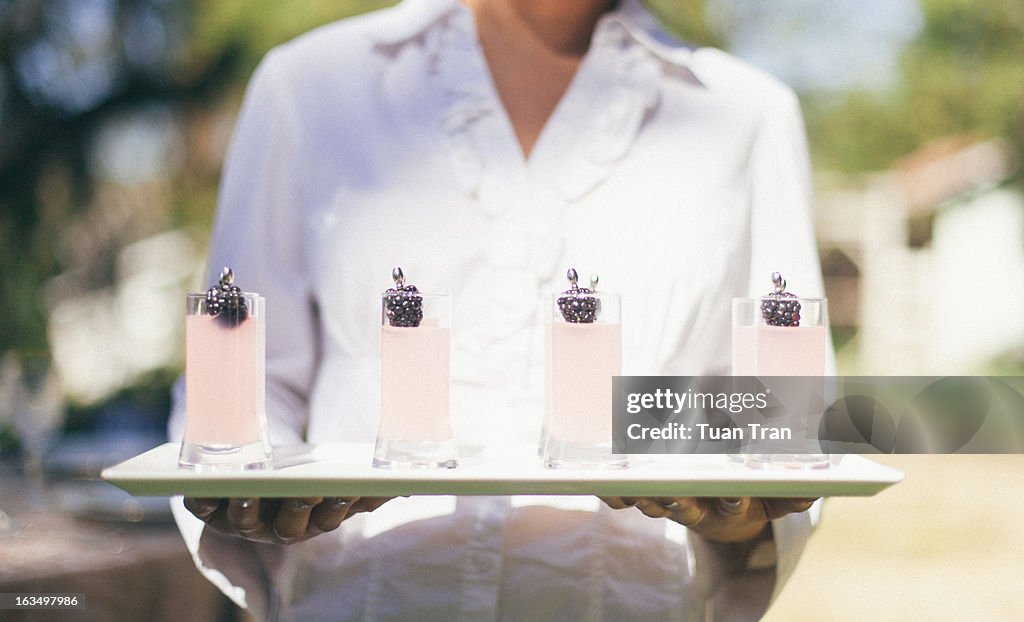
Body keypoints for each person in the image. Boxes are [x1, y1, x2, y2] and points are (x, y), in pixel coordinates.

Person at [168, 0, 830, 619]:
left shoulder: (748, 115)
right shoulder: (309, 86)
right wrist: (254, 490)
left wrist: (747, 513)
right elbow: (240, 387)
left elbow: (779, 414)